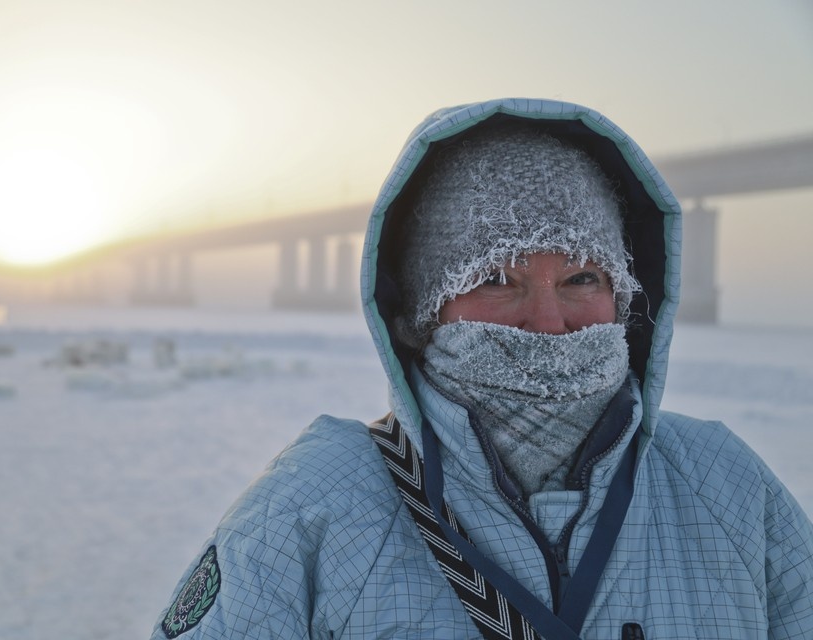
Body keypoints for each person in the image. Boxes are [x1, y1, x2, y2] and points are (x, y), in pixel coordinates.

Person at [149, 98, 813, 639]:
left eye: (583, 276)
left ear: (628, 300)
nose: (549, 322)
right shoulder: (317, 503)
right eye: (496, 279)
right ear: (420, 310)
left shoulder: (725, 485)